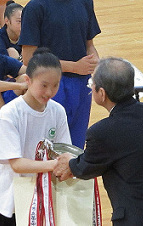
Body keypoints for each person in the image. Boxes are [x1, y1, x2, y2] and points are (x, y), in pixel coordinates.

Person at [54, 57, 143, 226]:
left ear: (102, 93)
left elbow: (85, 167)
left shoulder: (102, 132)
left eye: (93, 83)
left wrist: (70, 162)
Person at [0, 47, 71, 225]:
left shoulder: (58, 111)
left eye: (55, 85)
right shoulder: (10, 113)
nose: (49, 92)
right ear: (28, 81)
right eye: (44, 85)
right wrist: (56, 164)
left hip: (33, 192)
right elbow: (17, 164)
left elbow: (63, 151)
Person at [18, 0, 101, 149]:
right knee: (48, 145)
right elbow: (29, 58)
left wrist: (95, 61)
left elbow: (89, 45)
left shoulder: (85, 2)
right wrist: (74, 67)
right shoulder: (35, 7)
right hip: (50, 84)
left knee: (76, 146)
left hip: (83, 84)